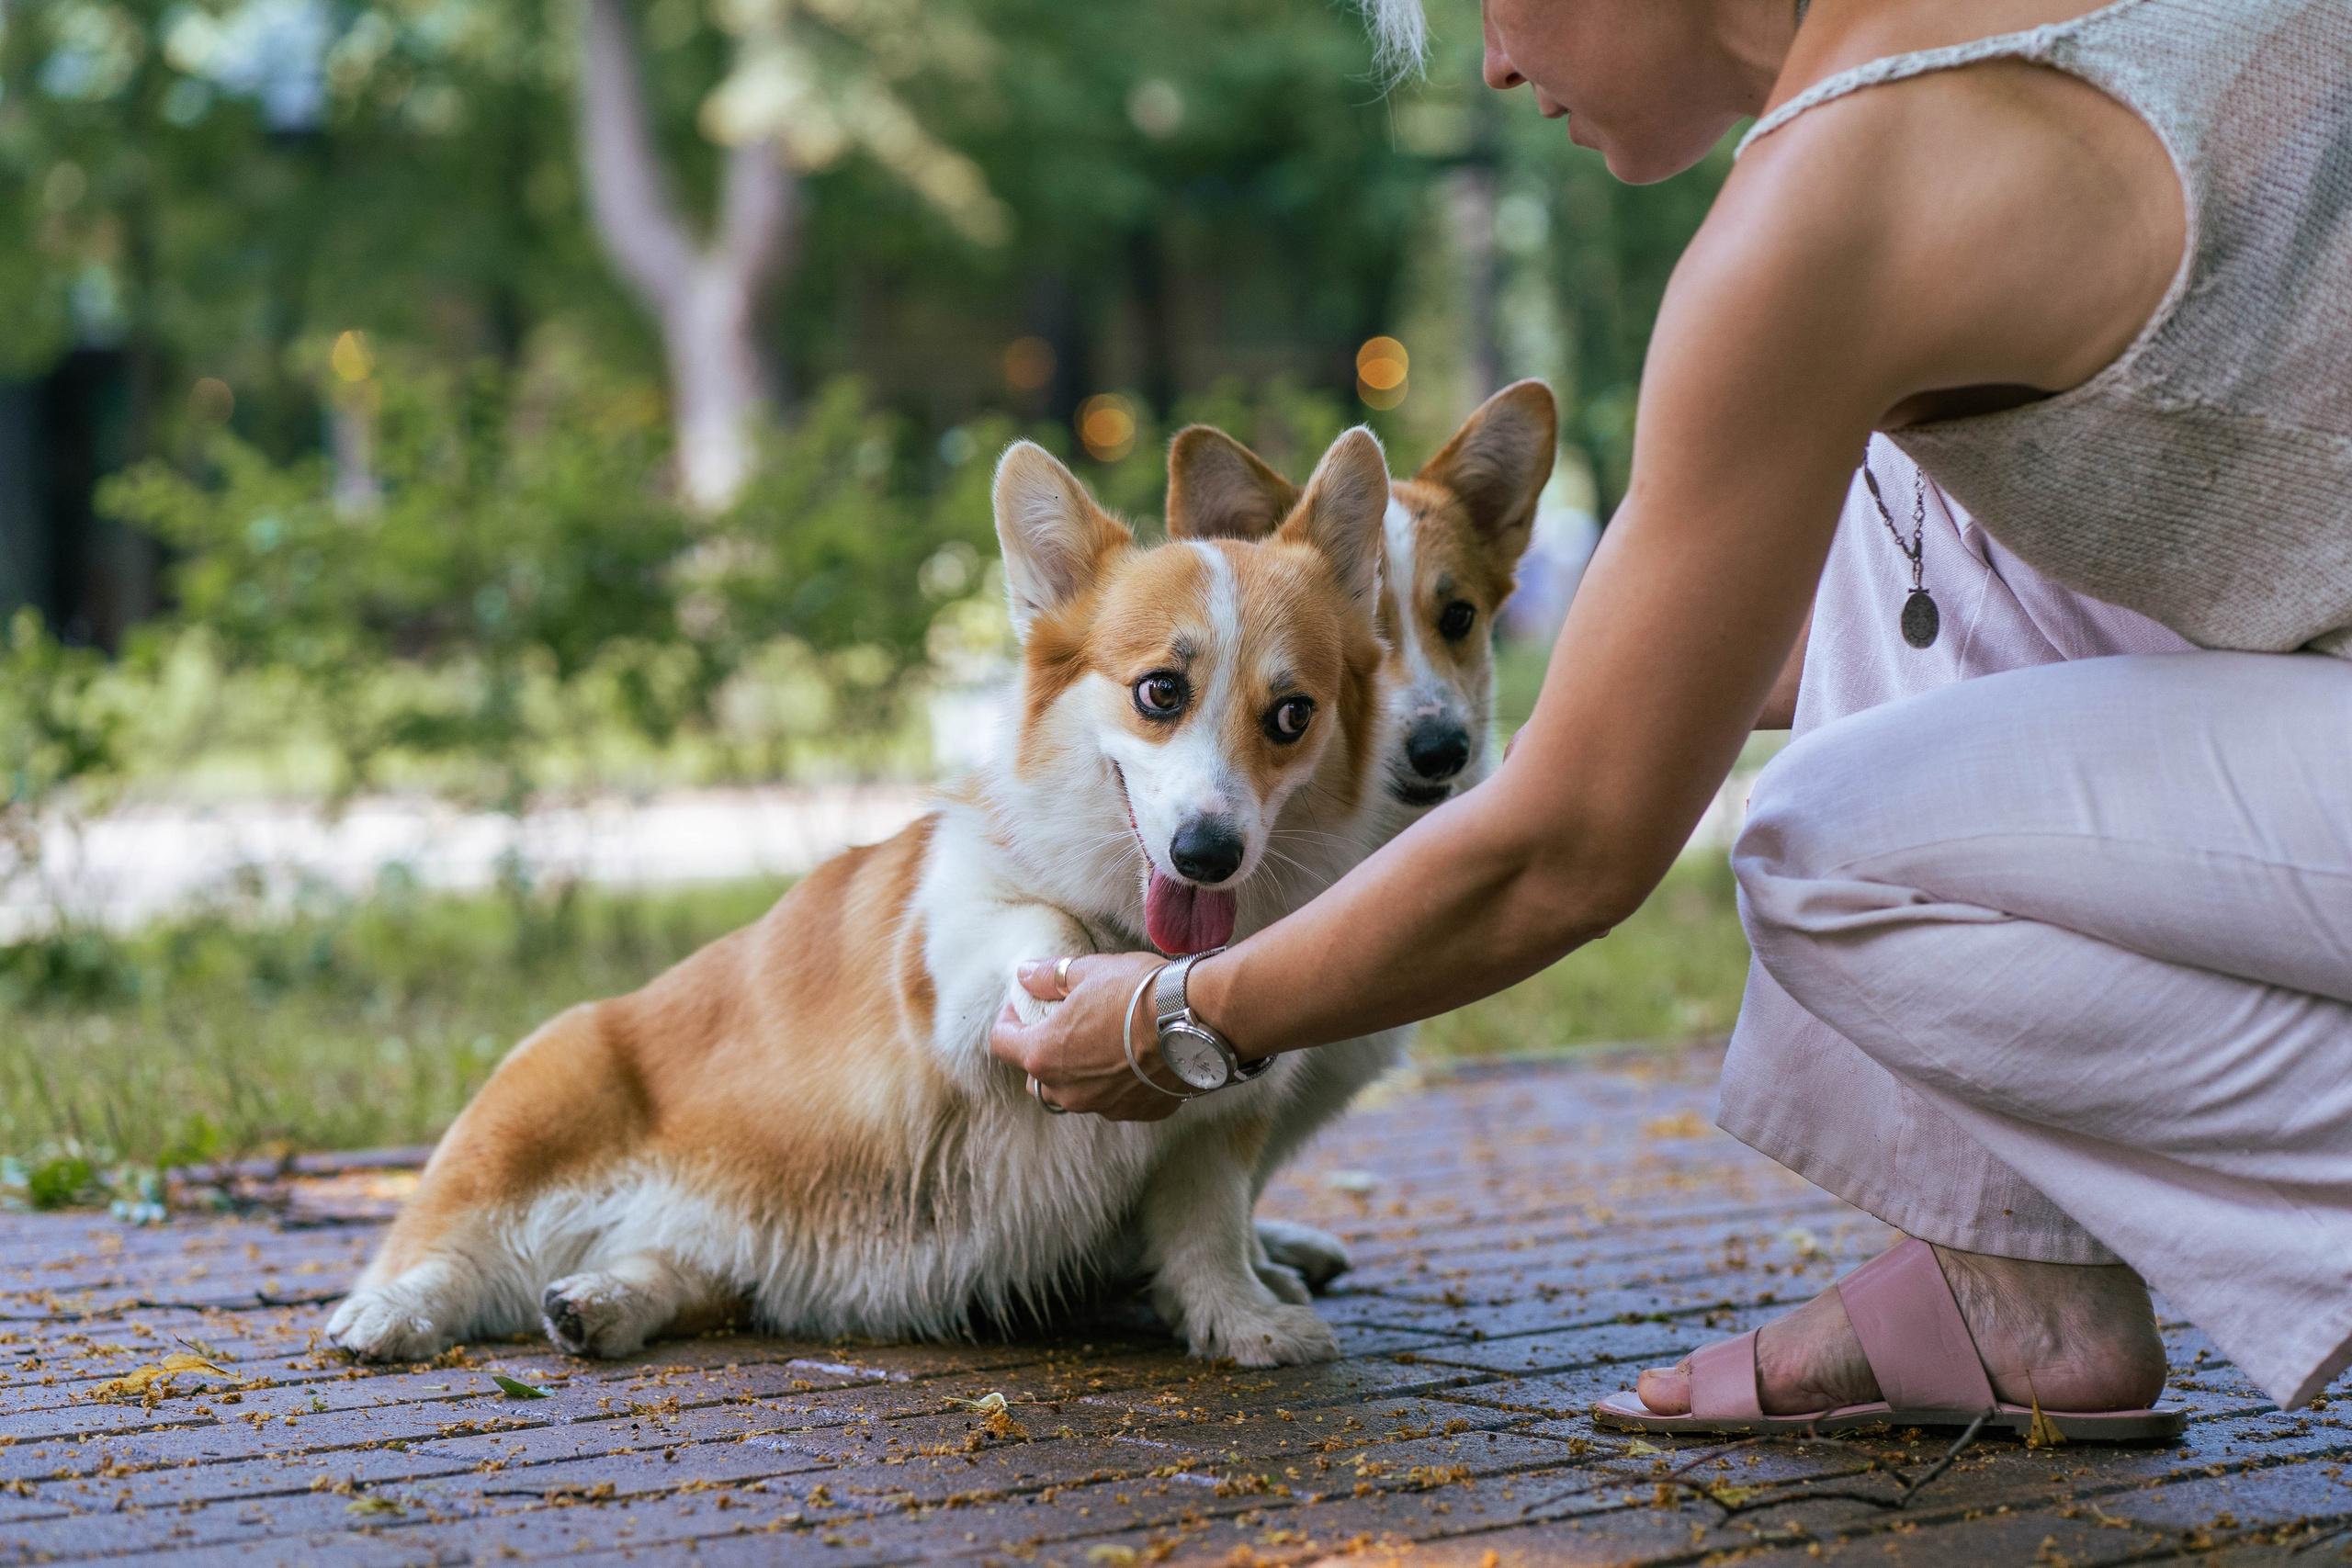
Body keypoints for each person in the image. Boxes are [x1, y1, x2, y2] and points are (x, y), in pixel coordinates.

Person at [992, 0, 2352, 1422]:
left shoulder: (1830, 203)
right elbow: (1800, 645)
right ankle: (2016, 1283)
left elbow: (1571, 849)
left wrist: (1182, 1018)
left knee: (1828, 846)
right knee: (1908, 513)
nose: (1494, 64)